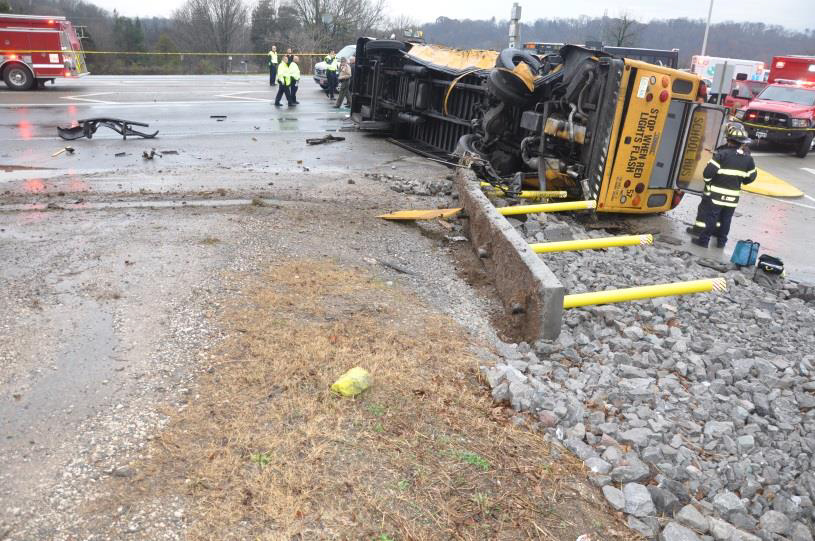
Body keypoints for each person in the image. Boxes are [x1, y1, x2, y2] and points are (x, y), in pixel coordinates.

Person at [691, 123, 756, 249]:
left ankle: (703, 241)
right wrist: (741, 181)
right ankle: (721, 243)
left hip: (717, 195)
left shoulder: (721, 154)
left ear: (728, 140)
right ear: (741, 142)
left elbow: (707, 174)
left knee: (712, 217)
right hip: (733, 196)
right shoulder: (748, 159)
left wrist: (710, 183)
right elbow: (751, 177)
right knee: (726, 220)